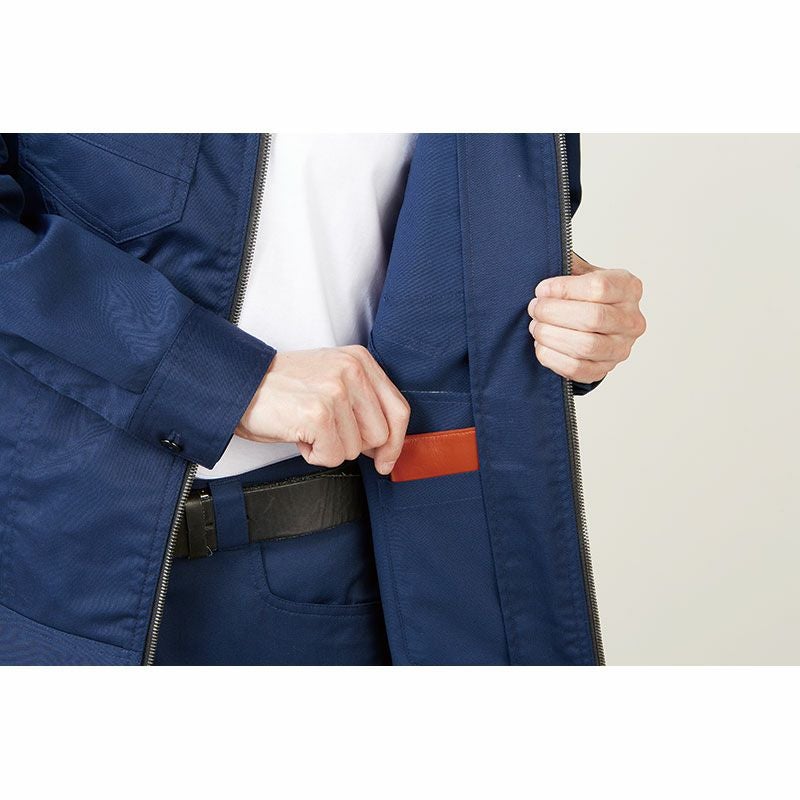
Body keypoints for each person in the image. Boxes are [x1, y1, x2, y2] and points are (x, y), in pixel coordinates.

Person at [0, 133, 645, 666]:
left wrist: (568, 324)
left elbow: (466, 264)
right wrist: (224, 382)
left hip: (347, 570)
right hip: (52, 561)